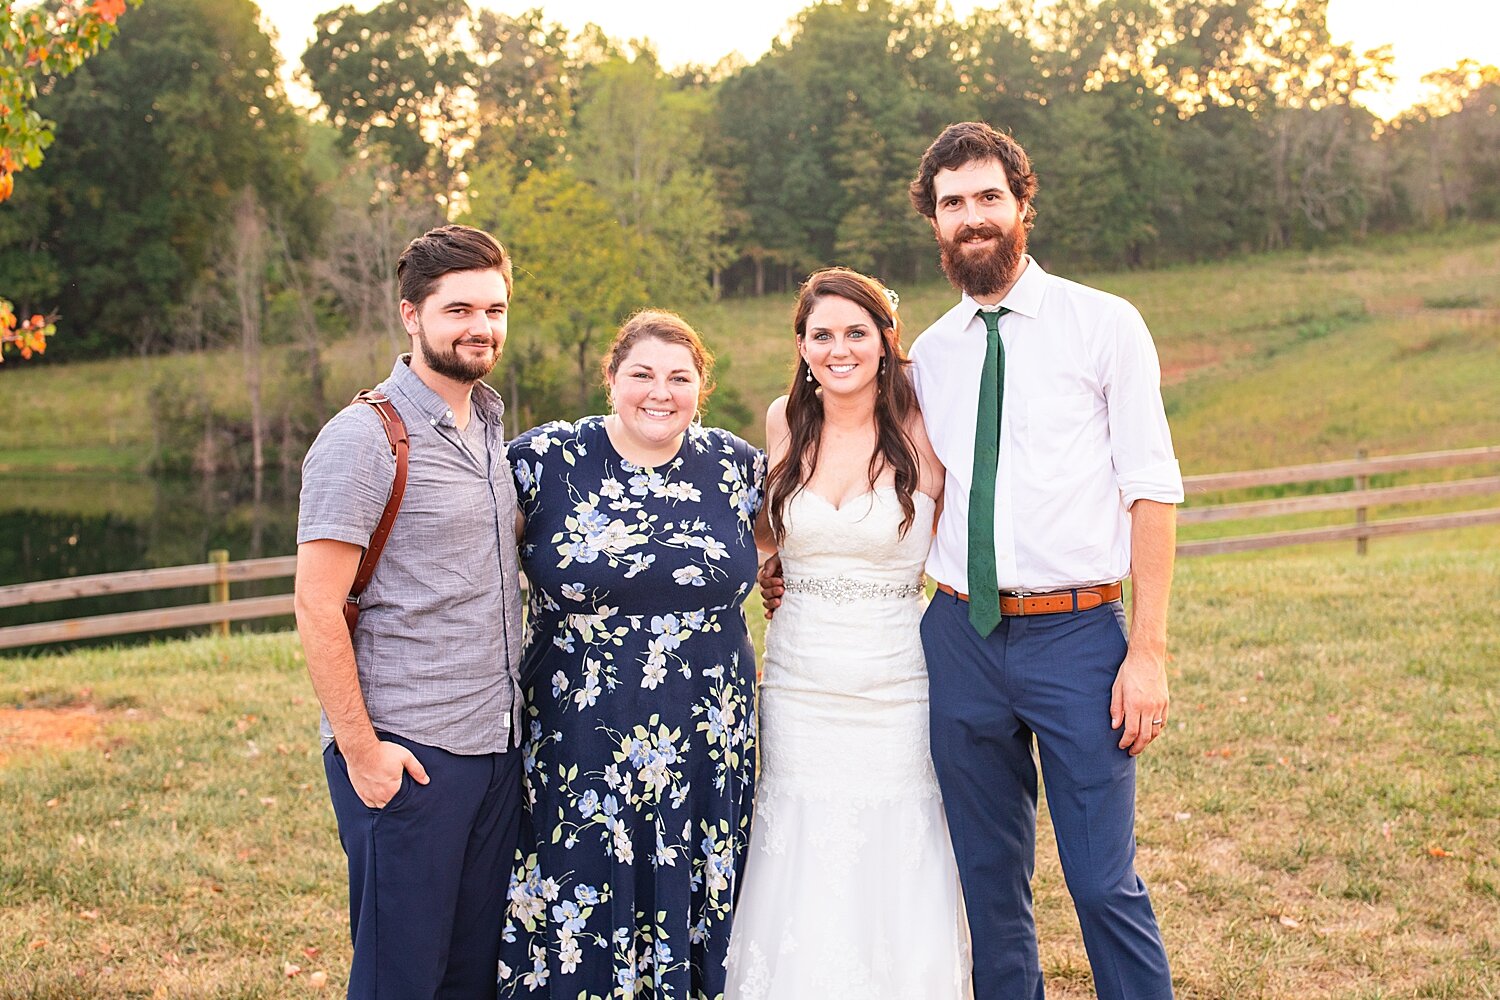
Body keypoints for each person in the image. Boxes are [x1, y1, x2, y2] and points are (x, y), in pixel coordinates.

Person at [764, 121, 1183, 999]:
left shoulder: (1103, 324)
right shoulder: (928, 363)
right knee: (989, 887)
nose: (972, 218)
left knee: (1103, 880)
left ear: (1023, 204)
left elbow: (1152, 489)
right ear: (935, 223)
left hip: (1077, 636)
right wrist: (781, 560)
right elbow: (843, 462)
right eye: (953, 204)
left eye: (988, 197)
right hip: (955, 635)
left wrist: (1145, 652)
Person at [497, 310, 765, 999]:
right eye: (641, 374)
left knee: (700, 883)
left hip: (708, 733)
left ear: (700, 387)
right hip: (578, 732)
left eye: (679, 377)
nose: (659, 391)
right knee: (581, 879)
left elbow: (788, 542)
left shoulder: (735, 465)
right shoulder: (545, 459)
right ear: (611, 379)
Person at [724, 268, 970, 999]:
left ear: (887, 341)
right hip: (798, 678)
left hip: (895, 678)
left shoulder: (926, 428)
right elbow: (772, 529)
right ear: (801, 347)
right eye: (821, 335)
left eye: (856, 333)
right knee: (798, 835)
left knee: (896, 838)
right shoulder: (782, 421)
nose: (839, 349)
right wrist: (771, 567)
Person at [294, 224, 526, 999]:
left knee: (468, 978)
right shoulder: (363, 439)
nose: (480, 327)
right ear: (410, 315)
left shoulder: (490, 426)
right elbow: (317, 603)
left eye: (493, 309)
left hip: (494, 752)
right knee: (399, 978)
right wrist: (364, 754)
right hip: (410, 753)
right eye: (458, 308)